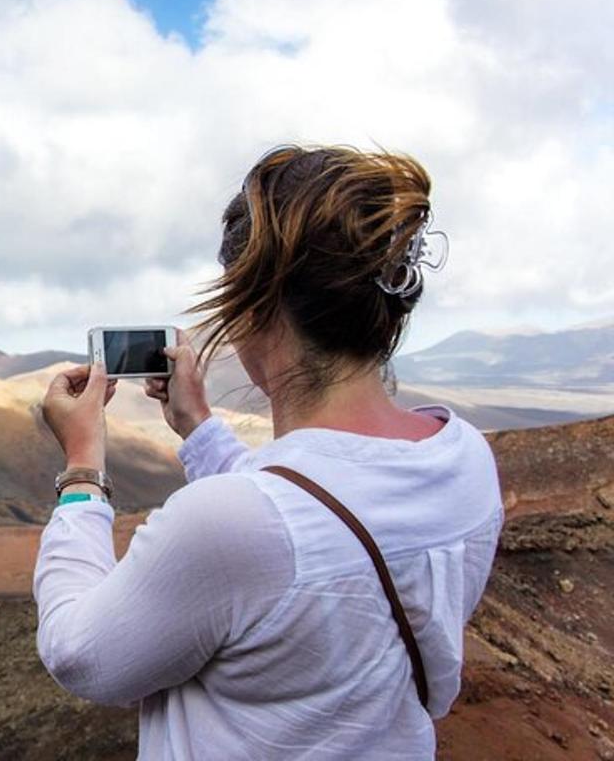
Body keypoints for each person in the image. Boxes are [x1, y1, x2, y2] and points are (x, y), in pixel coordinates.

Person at [34, 145, 503, 759]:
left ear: (254, 305)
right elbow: (305, 519)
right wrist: (199, 428)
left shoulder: (230, 522)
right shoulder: (463, 458)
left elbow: (82, 656)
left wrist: (81, 470)